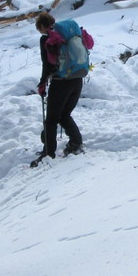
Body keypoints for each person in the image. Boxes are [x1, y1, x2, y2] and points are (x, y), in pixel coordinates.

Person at [31, 11, 93, 167]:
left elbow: (47, 65)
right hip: (77, 79)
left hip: (61, 82)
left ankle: (48, 154)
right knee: (64, 115)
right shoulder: (71, 33)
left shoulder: (47, 38)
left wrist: (42, 84)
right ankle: (76, 142)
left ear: (42, 26)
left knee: (51, 120)